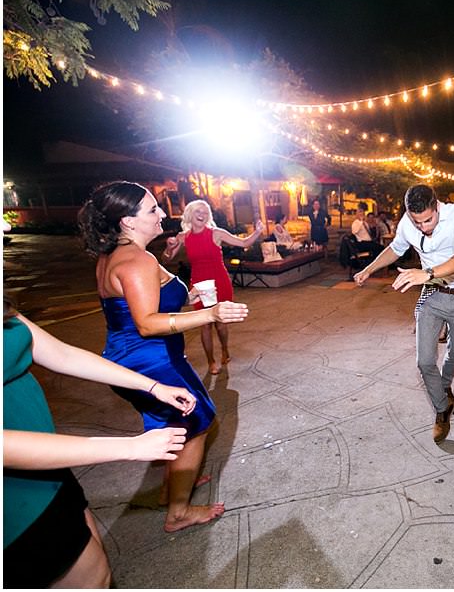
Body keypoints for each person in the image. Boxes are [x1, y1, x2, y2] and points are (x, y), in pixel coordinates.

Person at [79, 181, 250, 531]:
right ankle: (178, 512)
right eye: (152, 210)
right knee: (198, 422)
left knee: (173, 424)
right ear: (127, 221)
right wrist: (210, 314)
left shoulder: (118, 253)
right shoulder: (135, 260)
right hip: (151, 360)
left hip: (134, 357)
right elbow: (147, 323)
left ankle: (171, 488)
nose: (162, 214)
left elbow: (147, 304)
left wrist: (187, 293)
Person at [3, 302, 190, 588]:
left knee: (97, 566)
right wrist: (130, 448)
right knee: (92, 577)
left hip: (50, 465)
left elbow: (62, 355)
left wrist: (152, 386)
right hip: (15, 497)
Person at [354, 184, 454, 444]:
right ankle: (442, 408)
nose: (423, 227)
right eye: (417, 221)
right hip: (430, 296)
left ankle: (445, 385)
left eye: (428, 220)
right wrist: (369, 269)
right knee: (424, 361)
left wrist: (427, 273)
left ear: (437, 205)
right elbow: (396, 249)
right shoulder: (408, 223)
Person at [162, 199, 263, 374]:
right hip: (199, 284)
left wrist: (258, 231)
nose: (202, 215)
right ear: (190, 214)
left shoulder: (216, 233)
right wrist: (169, 248)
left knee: (221, 323)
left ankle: (224, 349)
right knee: (205, 324)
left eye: (205, 212)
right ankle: (211, 361)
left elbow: (244, 243)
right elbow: (166, 260)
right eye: (198, 212)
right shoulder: (182, 237)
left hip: (220, 282)